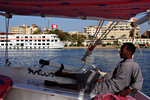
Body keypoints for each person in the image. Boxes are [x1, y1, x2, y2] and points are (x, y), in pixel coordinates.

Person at [41, 43, 143, 97]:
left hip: (108, 89)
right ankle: (61, 74)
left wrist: (128, 89)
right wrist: (102, 79)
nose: (120, 52)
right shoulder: (121, 63)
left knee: (84, 86)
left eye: (122, 50)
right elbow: (112, 75)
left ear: (129, 52)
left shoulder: (134, 66)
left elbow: (138, 82)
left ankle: (56, 85)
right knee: (86, 75)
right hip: (105, 82)